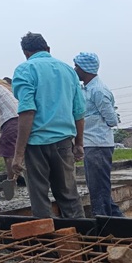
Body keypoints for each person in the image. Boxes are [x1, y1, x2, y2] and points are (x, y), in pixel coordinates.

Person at [11, 32, 86, 218]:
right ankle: (82, 233)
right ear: (48, 49)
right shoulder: (68, 71)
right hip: (63, 142)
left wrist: (18, 154)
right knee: (69, 195)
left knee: (39, 197)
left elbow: (27, 111)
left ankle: (45, 234)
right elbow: (78, 111)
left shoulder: (25, 70)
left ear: (26, 53)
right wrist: (79, 143)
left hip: (36, 145)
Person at [73, 52, 124, 217]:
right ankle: (119, 222)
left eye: (77, 66)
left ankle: (102, 223)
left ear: (85, 69)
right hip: (91, 144)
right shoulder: (87, 89)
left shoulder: (98, 90)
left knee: (99, 191)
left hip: (98, 144)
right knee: (99, 189)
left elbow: (112, 120)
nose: (74, 69)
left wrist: (91, 121)